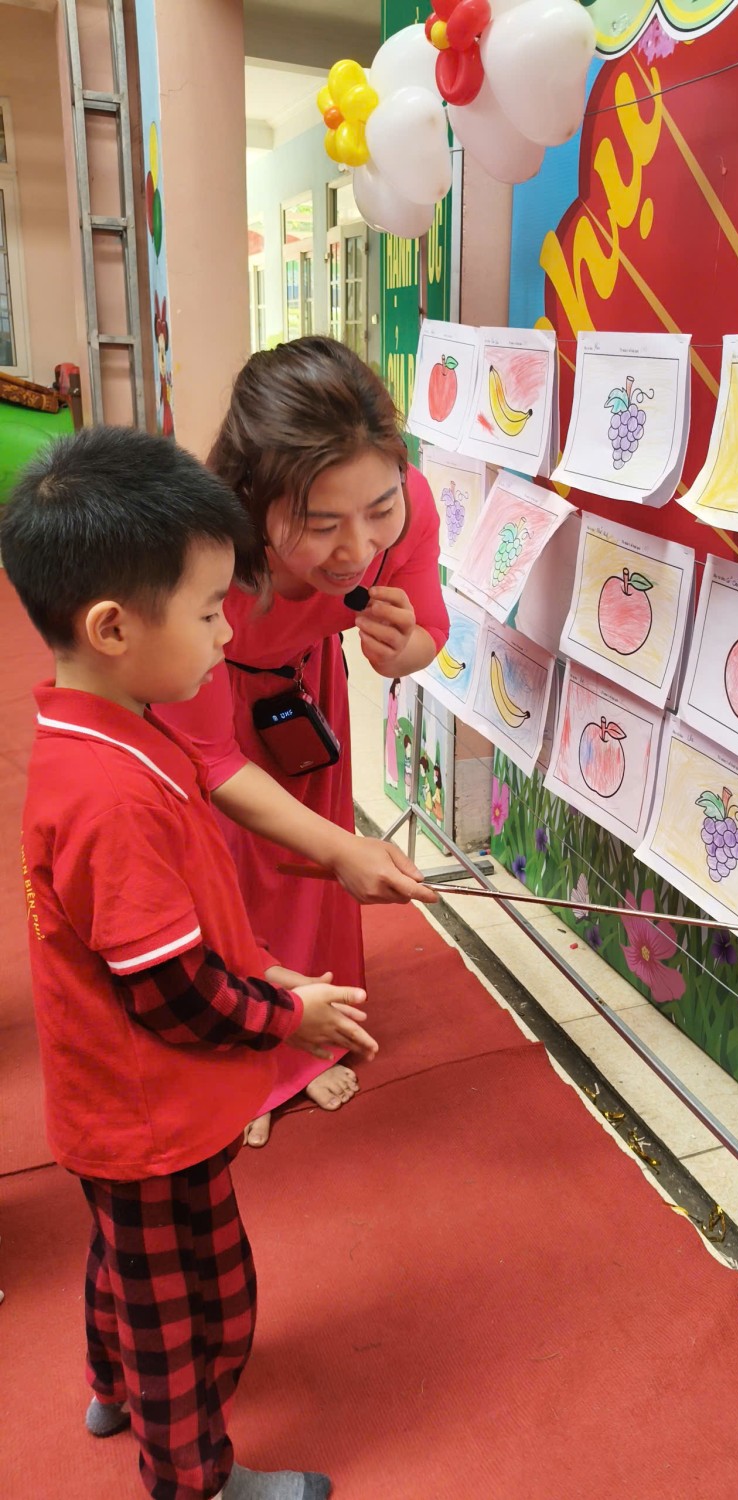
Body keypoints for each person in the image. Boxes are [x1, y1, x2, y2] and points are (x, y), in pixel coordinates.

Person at [4, 425, 379, 1500]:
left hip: (123, 1110)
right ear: (113, 627)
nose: (226, 632)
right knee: (192, 1306)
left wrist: (272, 970)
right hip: (151, 1115)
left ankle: (109, 1383)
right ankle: (195, 1480)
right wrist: (289, 1018)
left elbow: (185, 921)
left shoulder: (115, 726)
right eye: (210, 609)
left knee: (125, 1263)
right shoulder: (109, 796)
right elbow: (170, 991)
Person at [158, 338, 447, 1147]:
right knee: (221, 875)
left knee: (306, 883)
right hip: (200, 692)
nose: (357, 549)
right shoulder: (204, 552)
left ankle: (303, 1034)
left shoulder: (407, 503)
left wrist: (403, 648)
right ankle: (241, 1049)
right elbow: (213, 761)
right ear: (253, 500)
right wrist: (344, 849)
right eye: (320, 525)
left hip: (300, 692)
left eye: (378, 511)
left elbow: (428, 630)